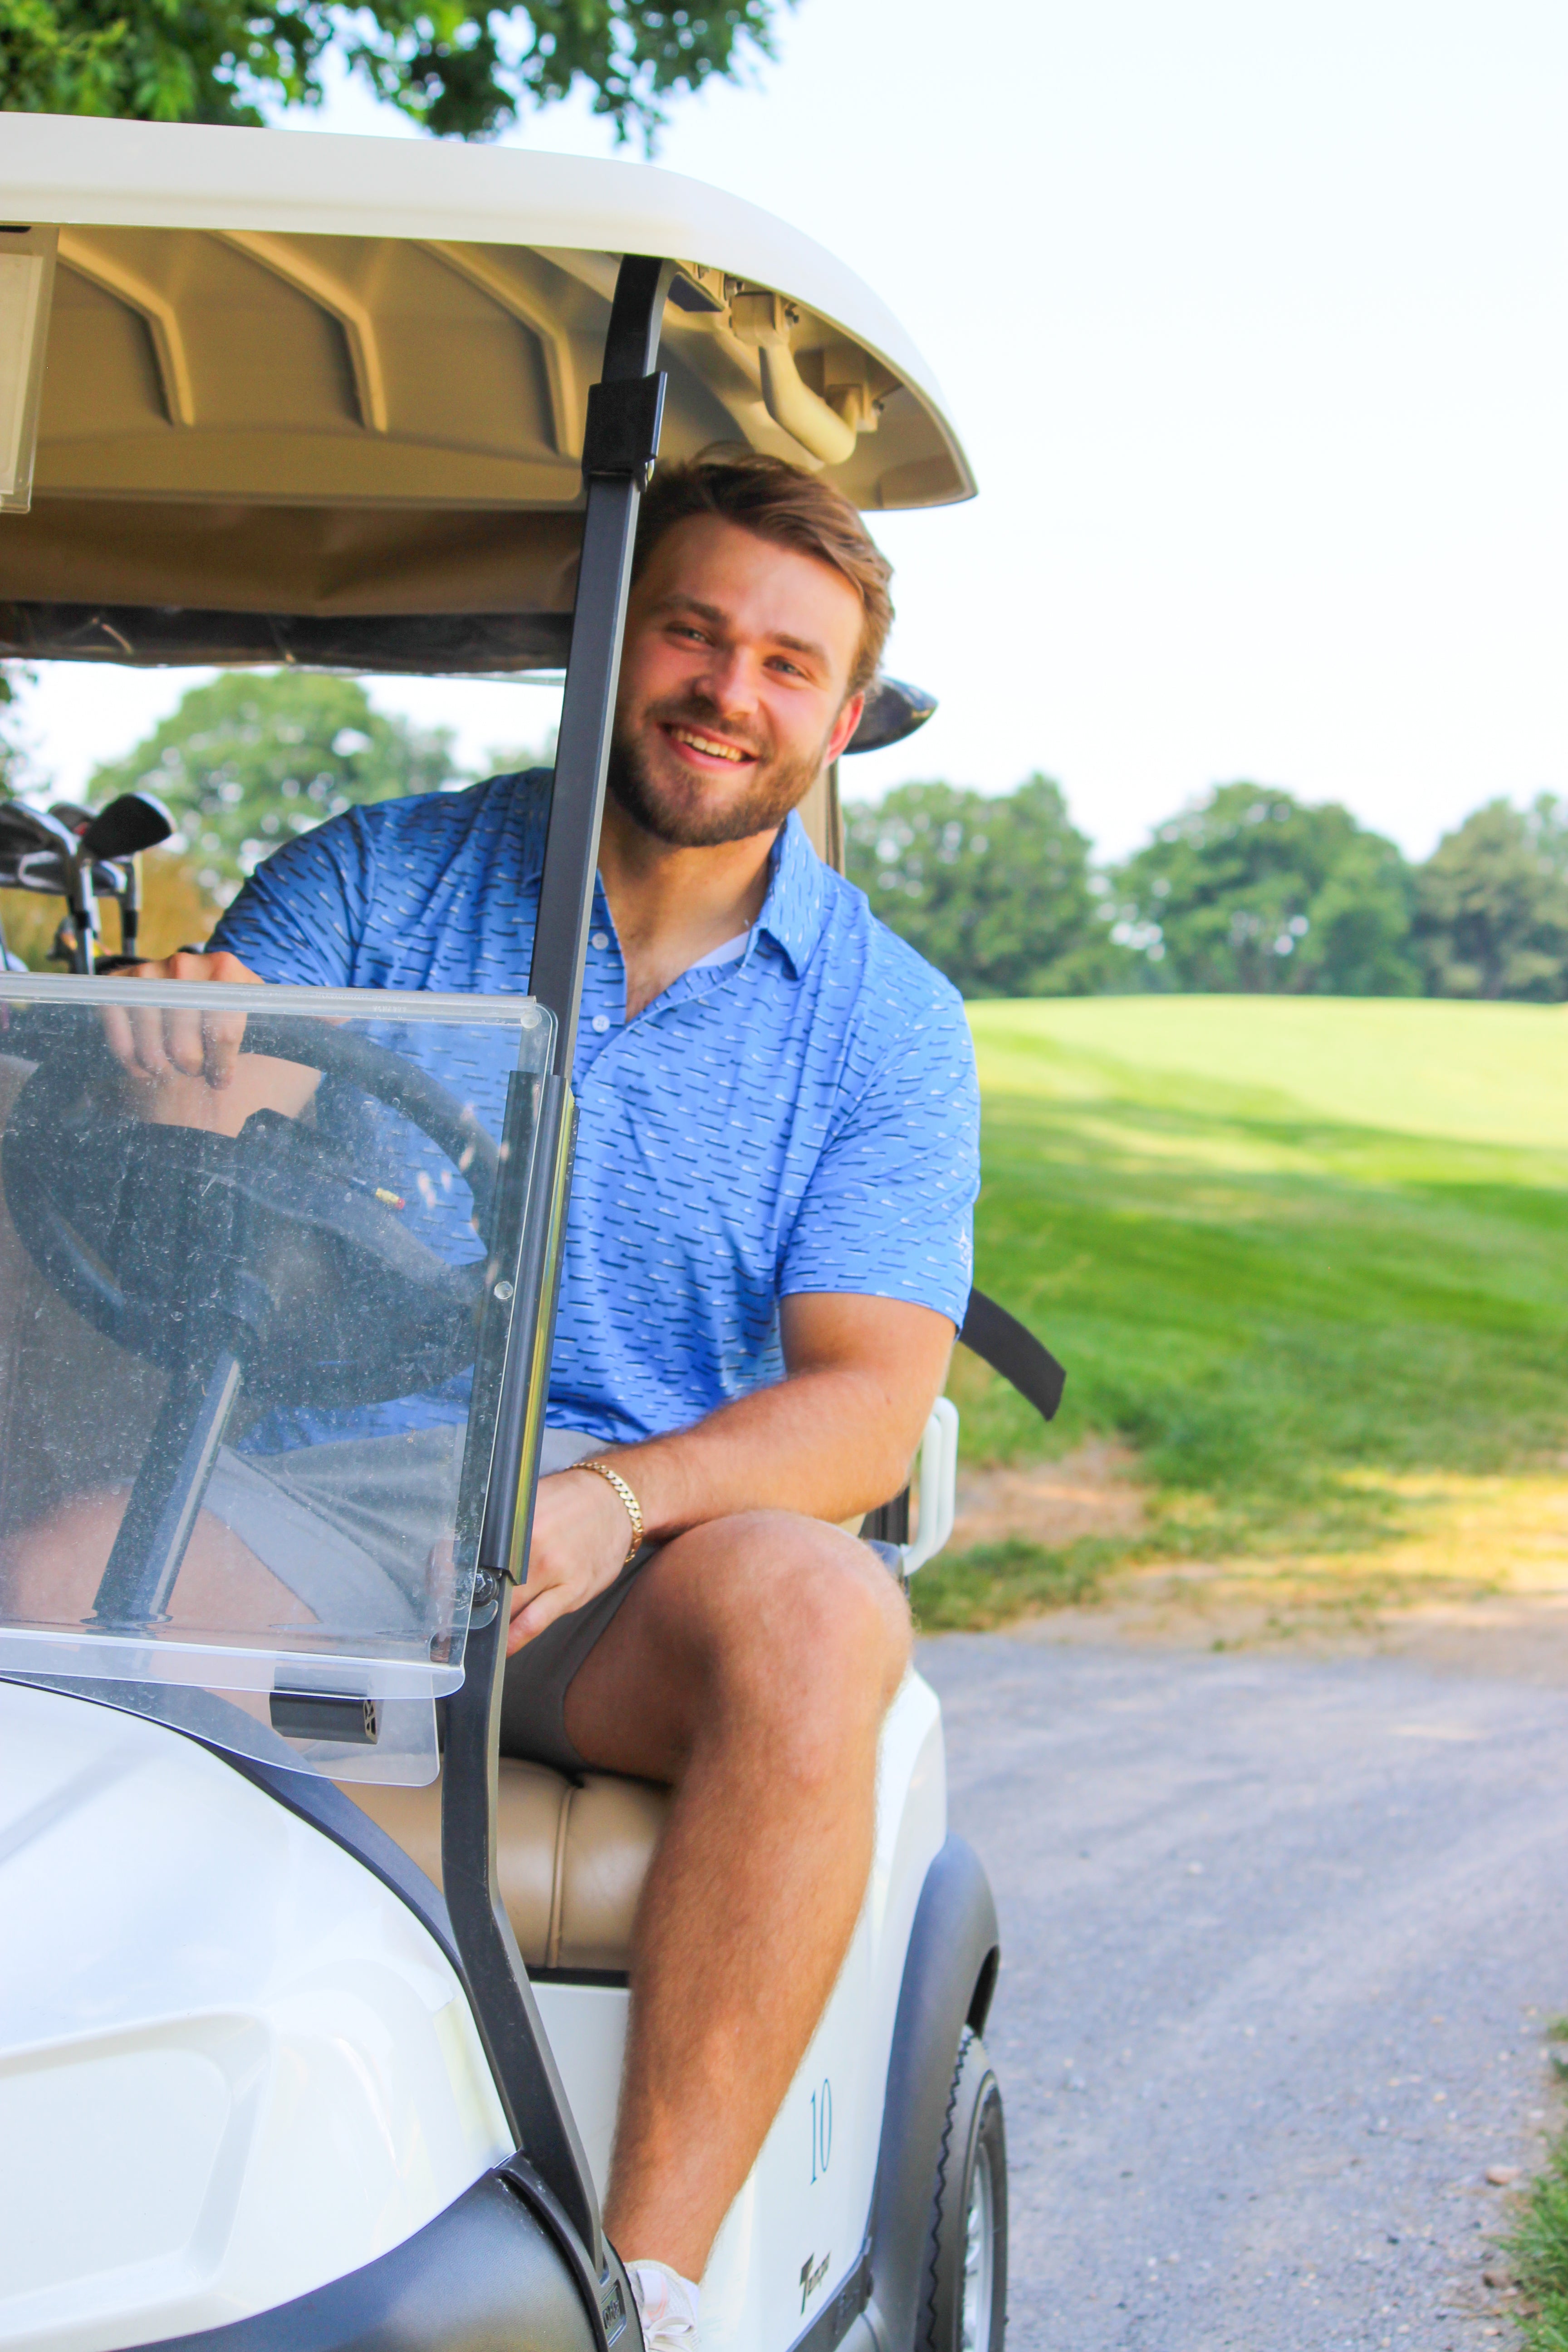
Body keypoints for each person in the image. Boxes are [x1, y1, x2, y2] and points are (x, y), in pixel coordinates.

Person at [108, 452, 980, 2351]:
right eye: (689, 630)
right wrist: (176, 1053)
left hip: (637, 1561)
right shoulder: (378, 878)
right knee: (60, 1567)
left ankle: (644, 2289)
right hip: (327, 1502)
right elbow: (218, 1108)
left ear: (841, 720)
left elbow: (861, 1405)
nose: (724, 690)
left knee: (830, 1612)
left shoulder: (884, 1022)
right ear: (608, 647)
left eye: (781, 663)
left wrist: (613, 1505)